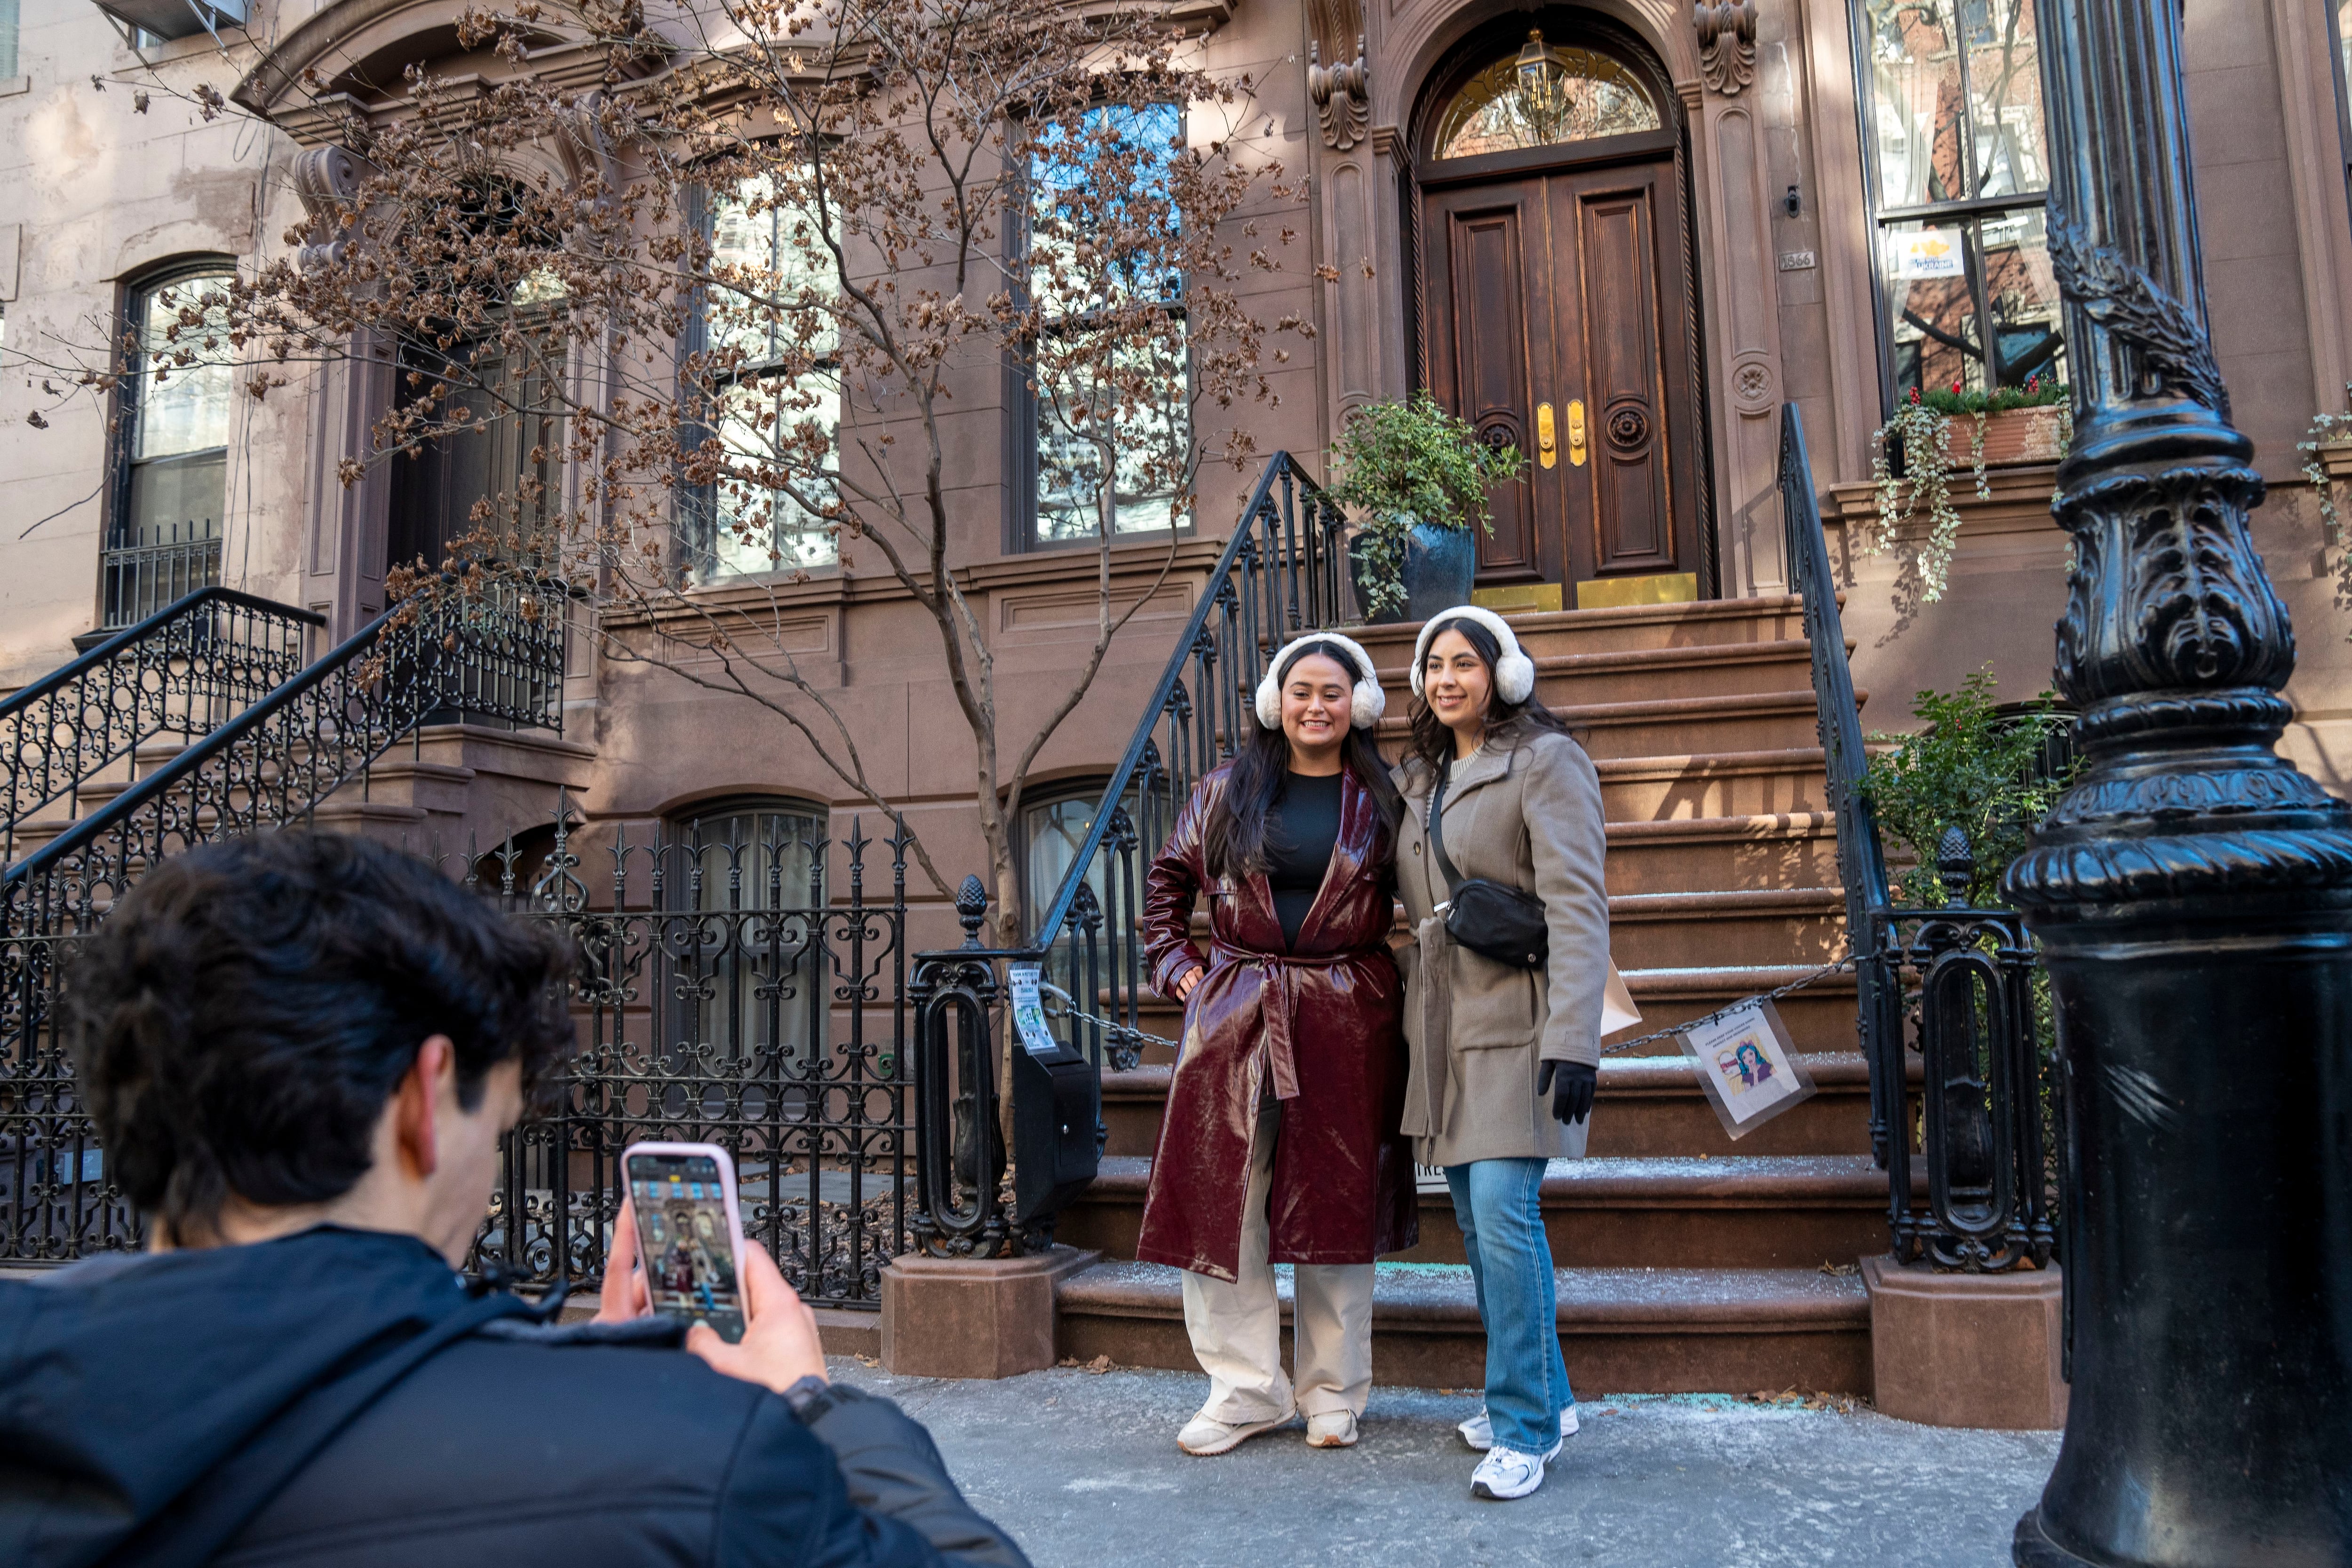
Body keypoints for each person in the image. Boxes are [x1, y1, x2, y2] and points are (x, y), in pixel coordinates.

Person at [0, 830, 1030, 1568]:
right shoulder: (701, 1462)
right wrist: (812, 1406)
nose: (488, 1186)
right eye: (496, 1132)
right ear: (419, 1100)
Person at [1138, 633, 1418, 1457]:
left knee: (1338, 1202)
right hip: (1234, 1016)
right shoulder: (1227, 789)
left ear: (1358, 704)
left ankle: (1333, 1392)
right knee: (1227, 1201)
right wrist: (1179, 970)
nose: (1316, 706)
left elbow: (1427, 891)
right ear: (1276, 700)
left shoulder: (1384, 796)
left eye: (1333, 691)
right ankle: (1244, 1391)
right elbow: (1165, 886)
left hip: (1346, 1016)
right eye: (1301, 690)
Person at [1392, 606, 1616, 1503]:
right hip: (1445, 1029)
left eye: (1466, 664)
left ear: (1503, 675)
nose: (1448, 679)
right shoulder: (1426, 779)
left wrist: (1576, 1042)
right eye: (1433, 666)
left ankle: (1523, 1425)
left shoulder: (1547, 762)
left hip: (1522, 1023)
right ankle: (1551, 1399)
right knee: (1482, 1230)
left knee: (1504, 1213)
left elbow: (1578, 905)